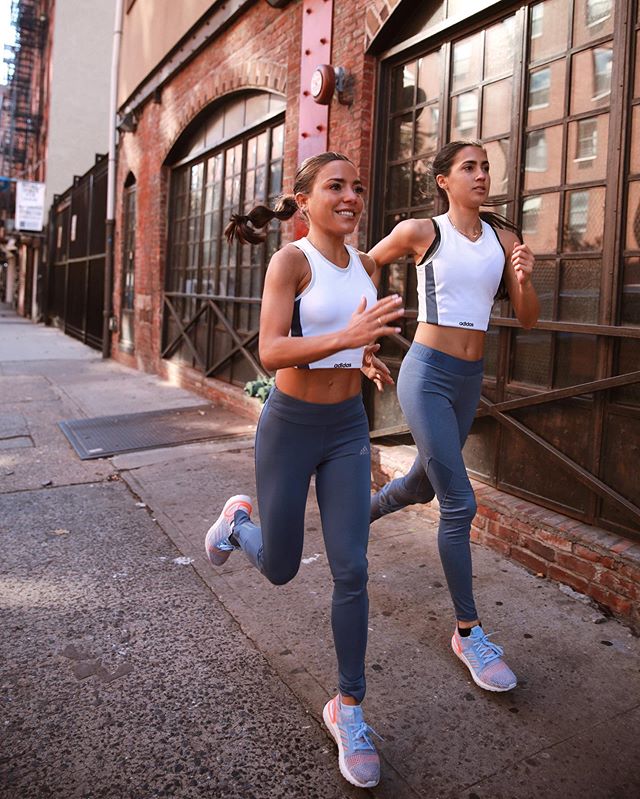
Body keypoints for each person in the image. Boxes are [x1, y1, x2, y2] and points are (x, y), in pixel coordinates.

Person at [204, 152, 404, 789]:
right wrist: (349, 337)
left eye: (357, 186)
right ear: (305, 197)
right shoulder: (291, 261)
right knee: (284, 568)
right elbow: (271, 349)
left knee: (353, 567)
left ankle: (348, 707)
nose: (350, 196)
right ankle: (238, 526)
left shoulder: (367, 264)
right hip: (289, 427)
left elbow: (355, 336)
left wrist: (365, 359)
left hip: (347, 429)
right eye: (335, 186)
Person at [369, 140, 539, 693]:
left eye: (486, 166)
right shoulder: (423, 232)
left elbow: (529, 319)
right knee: (458, 502)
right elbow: (364, 264)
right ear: (443, 179)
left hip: (470, 380)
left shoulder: (504, 237)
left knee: (421, 482)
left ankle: (355, 515)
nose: (482, 175)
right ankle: (469, 632)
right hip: (427, 373)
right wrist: (362, 336)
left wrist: (525, 276)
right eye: (470, 167)